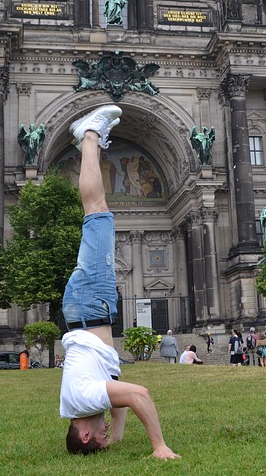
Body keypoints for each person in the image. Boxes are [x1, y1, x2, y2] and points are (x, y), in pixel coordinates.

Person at [58, 105, 179, 460]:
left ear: (83, 435)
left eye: (99, 436)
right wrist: (119, 438)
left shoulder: (81, 399)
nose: (104, 432)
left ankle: (89, 136)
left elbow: (138, 394)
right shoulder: (85, 401)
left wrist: (158, 445)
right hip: (90, 309)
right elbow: (121, 398)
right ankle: (89, 140)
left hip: (89, 304)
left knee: (96, 211)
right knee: (98, 213)